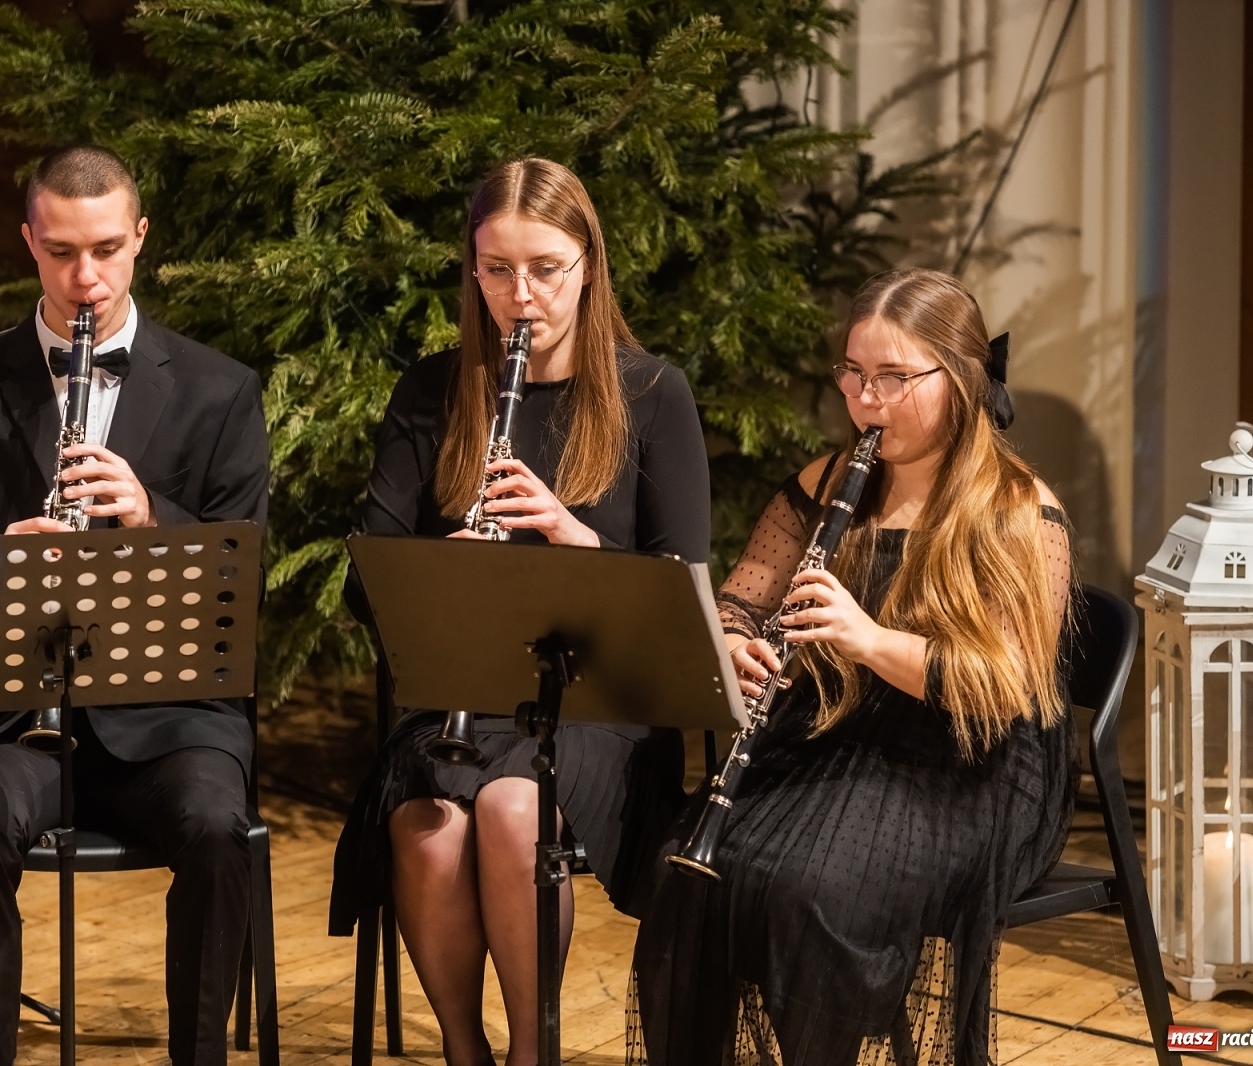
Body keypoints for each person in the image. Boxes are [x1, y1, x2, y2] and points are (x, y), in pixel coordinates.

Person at [631, 267, 1075, 1066]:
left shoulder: (1017, 508)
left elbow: (1003, 688)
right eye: (854, 374)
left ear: (962, 379)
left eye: (895, 378)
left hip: (965, 761)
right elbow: (735, 602)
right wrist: (733, 643)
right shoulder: (828, 482)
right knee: (683, 875)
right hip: (835, 736)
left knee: (815, 892)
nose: (867, 400)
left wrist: (866, 638)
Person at [330, 157, 712, 1066]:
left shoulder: (653, 396)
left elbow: (682, 589)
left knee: (510, 810)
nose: (521, 295)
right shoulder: (433, 391)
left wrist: (572, 540)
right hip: (463, 699)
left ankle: (531, 1055)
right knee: (427, 829)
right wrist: (440, 576)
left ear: (589, 263)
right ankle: (469, 1053)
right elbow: (364, 580)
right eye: (496, 270)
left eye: (545, 268)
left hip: (598, 708)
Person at [0, 145, 269, 1066]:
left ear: (140, 238)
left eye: (107, 249)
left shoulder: (219, 390)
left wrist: (153, 516)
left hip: (167, 721)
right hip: (14, 727)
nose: (85, 278)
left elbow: (244, 577)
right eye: (62, 250)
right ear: (28, 241)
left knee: (215, 826)